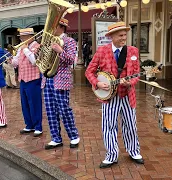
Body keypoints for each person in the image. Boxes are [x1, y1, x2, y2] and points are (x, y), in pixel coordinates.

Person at [85, 21, 144, 168]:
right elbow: (89, 71)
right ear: (111, 36)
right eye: (120, 35)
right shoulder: (102, 51)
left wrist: (130, 82)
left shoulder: (133, 51)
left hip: (127, 95)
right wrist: (97, 83)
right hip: (109, 97)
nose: (124, 38)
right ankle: (111, 155)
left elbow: (137, 74)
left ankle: (134, 151)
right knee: (109, 126)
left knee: (130, 125)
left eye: (125, 35)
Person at [42, 18, 80, 149]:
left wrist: (60, 50)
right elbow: (42, 60)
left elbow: (70, 60)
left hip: (61, 79)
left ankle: (74, 136)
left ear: (61, 27)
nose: (51, 30)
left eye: (54, 27)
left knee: (64, 109)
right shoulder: (49, 41)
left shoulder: (70, 41)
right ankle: (56, 138)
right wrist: (38, 54)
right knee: (50, 110)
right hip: (47, 79)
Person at [9, 28, 43, 137]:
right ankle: (29, 125)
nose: (22, 39)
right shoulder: (21, 48)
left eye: (23, 37)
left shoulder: (37, 46)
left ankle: (38, 127)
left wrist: (25, 50)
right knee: (25, 104)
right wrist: (10, 60)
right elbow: (16, 63)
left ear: (31, 37)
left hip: (33, 79)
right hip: (23, 79)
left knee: (35, 103)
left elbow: (34, 61)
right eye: (21, 37)